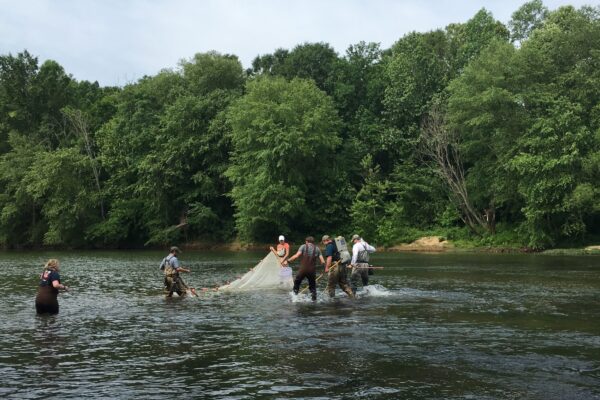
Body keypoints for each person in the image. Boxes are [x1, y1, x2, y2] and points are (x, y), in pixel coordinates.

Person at [286, 236, 325, 301]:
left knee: (297, 283)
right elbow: (323, 261)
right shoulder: (317, 249)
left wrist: (288, 260)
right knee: (312, 287)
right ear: (313, 242)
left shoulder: (303, 246)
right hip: (312, 271)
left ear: (306, 241)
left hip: (303, 270)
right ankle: (314, 300)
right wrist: (324, 269)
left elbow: (296, 255)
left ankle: (294, 298)